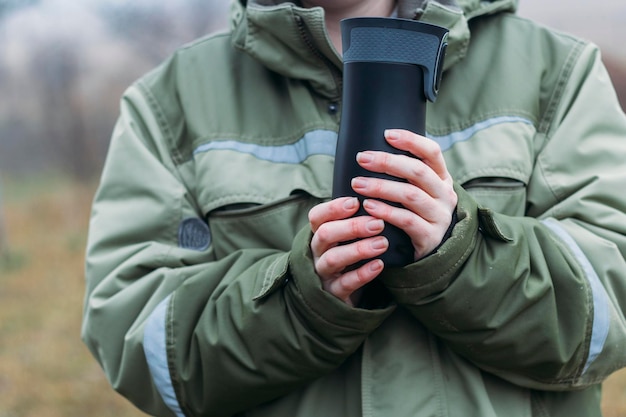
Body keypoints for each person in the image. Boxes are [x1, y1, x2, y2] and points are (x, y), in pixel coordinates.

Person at [81, 0, 626, 416]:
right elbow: (140, 344)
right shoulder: (171, 102)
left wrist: (465, 256)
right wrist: (298, 301)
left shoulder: (553, 73)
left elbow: (611, 305)